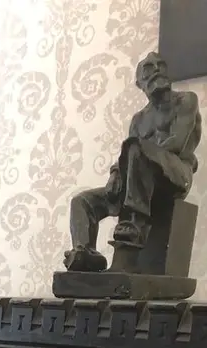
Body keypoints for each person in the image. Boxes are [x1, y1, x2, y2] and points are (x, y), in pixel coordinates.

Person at [65, 51, 201, 272]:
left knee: (137, 148)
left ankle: (134, 227)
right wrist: (115, 174)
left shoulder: (186, 101)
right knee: (82, 201)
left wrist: (137, 156)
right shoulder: (139, 119)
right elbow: (128, 153)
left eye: (160, 65)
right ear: (140, 83)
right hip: (138, 178)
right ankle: (84, 252)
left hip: (175, 175)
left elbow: (176, 144)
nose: (156, 70)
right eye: (148, 69)